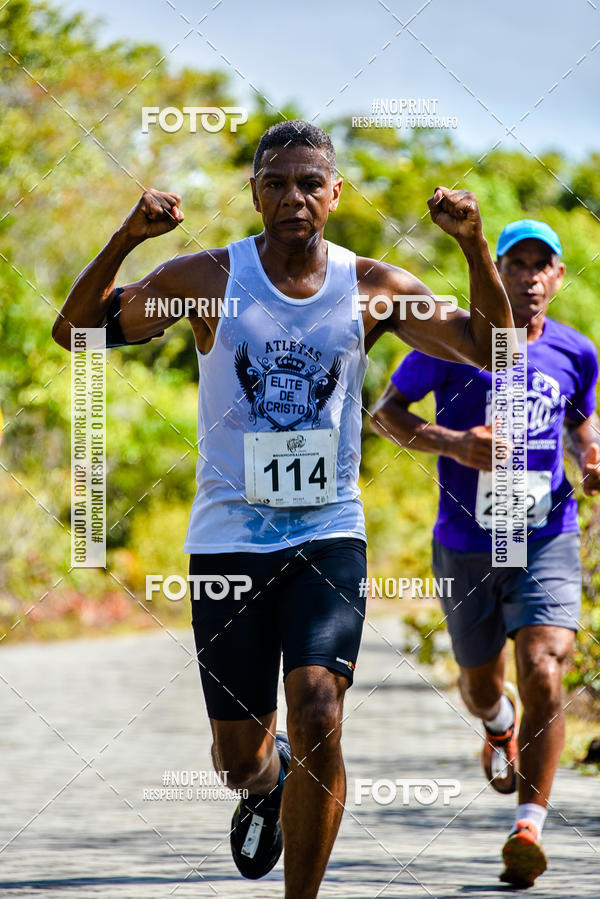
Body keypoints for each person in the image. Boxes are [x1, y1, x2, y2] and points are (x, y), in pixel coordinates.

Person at [53, 120, 513, 899]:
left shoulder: (372, 286)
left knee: (318, 706)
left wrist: (474, 246)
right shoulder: (207, 278)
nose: (293, 196)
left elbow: (497, 345)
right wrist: (128, 236)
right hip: (228, 539)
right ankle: (268, 785)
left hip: (327, 532)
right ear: (254, 193)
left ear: (335, 195)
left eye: (309, 183)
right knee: (238, 757)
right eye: (276, 182)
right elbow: (77, 332)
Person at [372, 219, 600, 888]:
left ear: (558, 277)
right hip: (466, 541)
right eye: (517, 265)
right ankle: (498, 726)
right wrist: (451, 442)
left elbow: (584, 414)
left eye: (541, 266)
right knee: (480, 686)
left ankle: (527, 825)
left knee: (546, 665)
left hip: (546, 531)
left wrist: (590, 451)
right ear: (496, 273)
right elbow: (386, 411)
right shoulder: (453, 342)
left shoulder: (577, 351)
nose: (529, 278)